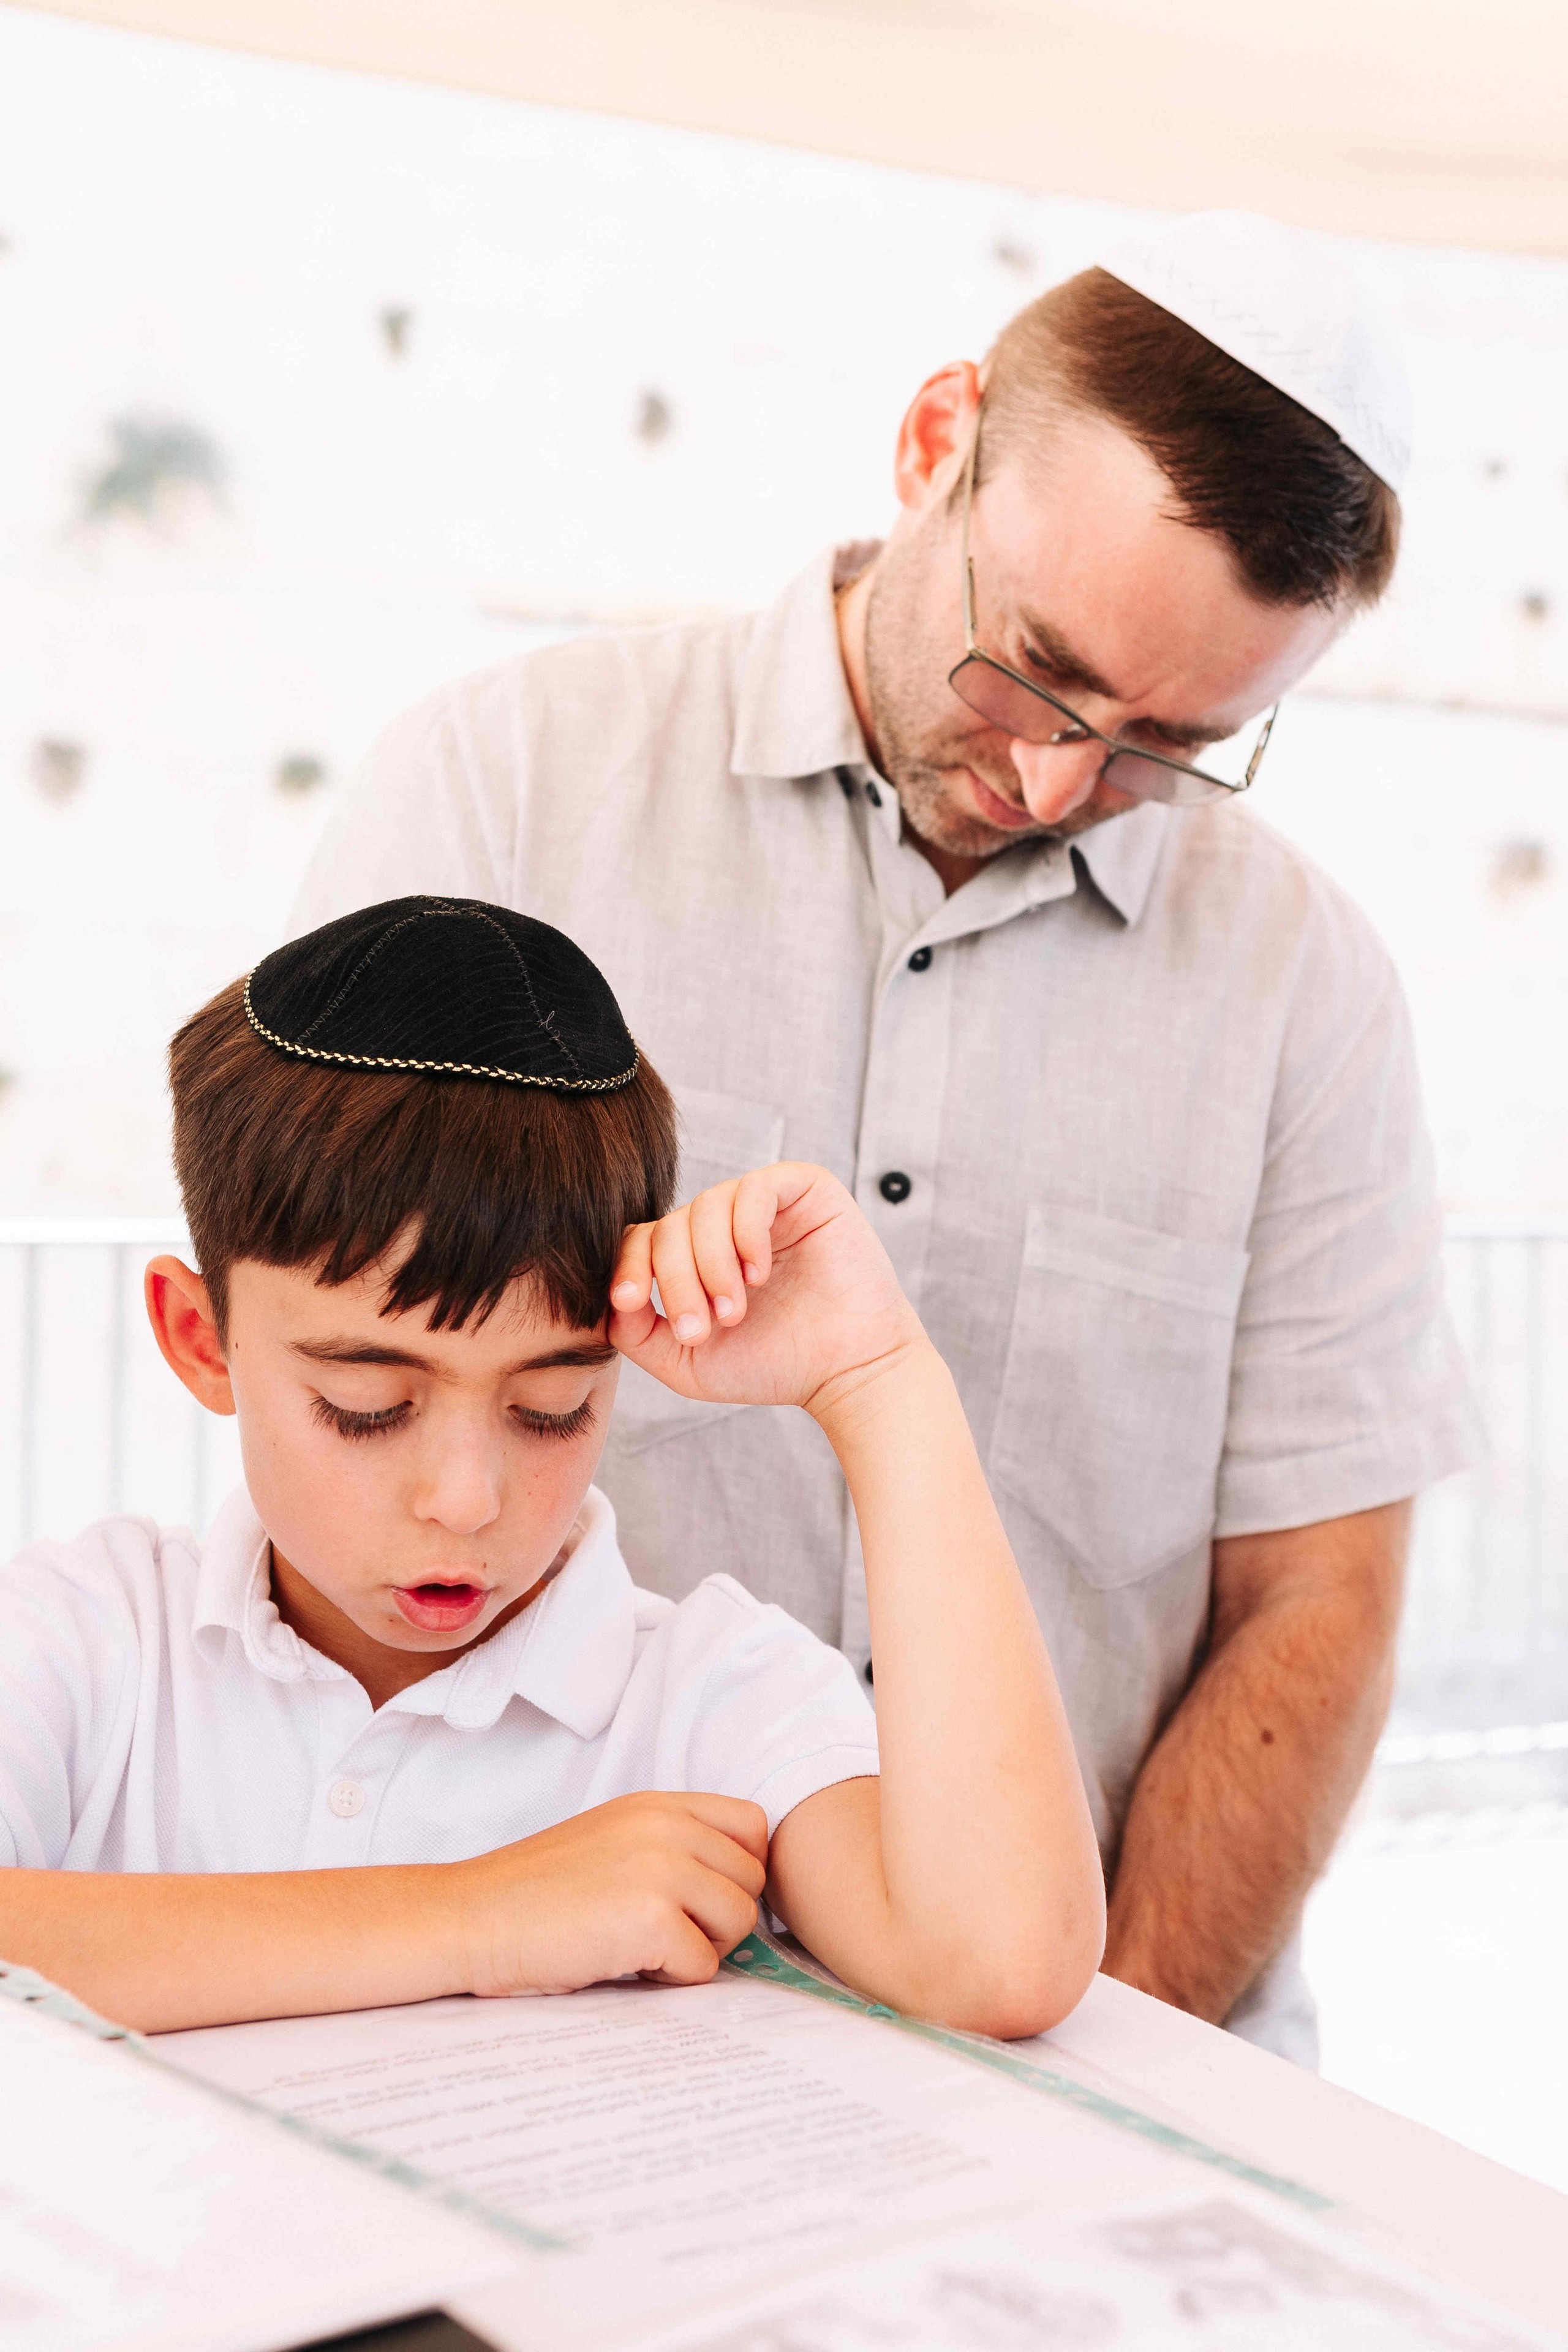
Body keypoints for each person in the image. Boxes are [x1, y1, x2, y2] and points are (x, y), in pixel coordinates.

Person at [291, 213, 1482, 2064]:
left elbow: (1315, 1605)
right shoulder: (501, 793)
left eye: (1172, 741)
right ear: (938, 442)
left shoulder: (1310, 991)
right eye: (1038, 670)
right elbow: (336, 1420)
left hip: (1106, 2033)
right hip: (549, 2022)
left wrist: (1096, 2054)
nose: (1059, 780)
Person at [0, 897, 1103, 2038]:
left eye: (552, 1407)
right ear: (200, 1339)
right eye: (367, 1406)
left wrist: (881, 1383)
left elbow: (1001, 1965)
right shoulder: (92, 1641)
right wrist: (477, 1916)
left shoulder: (711, 1698)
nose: (466, 1499)